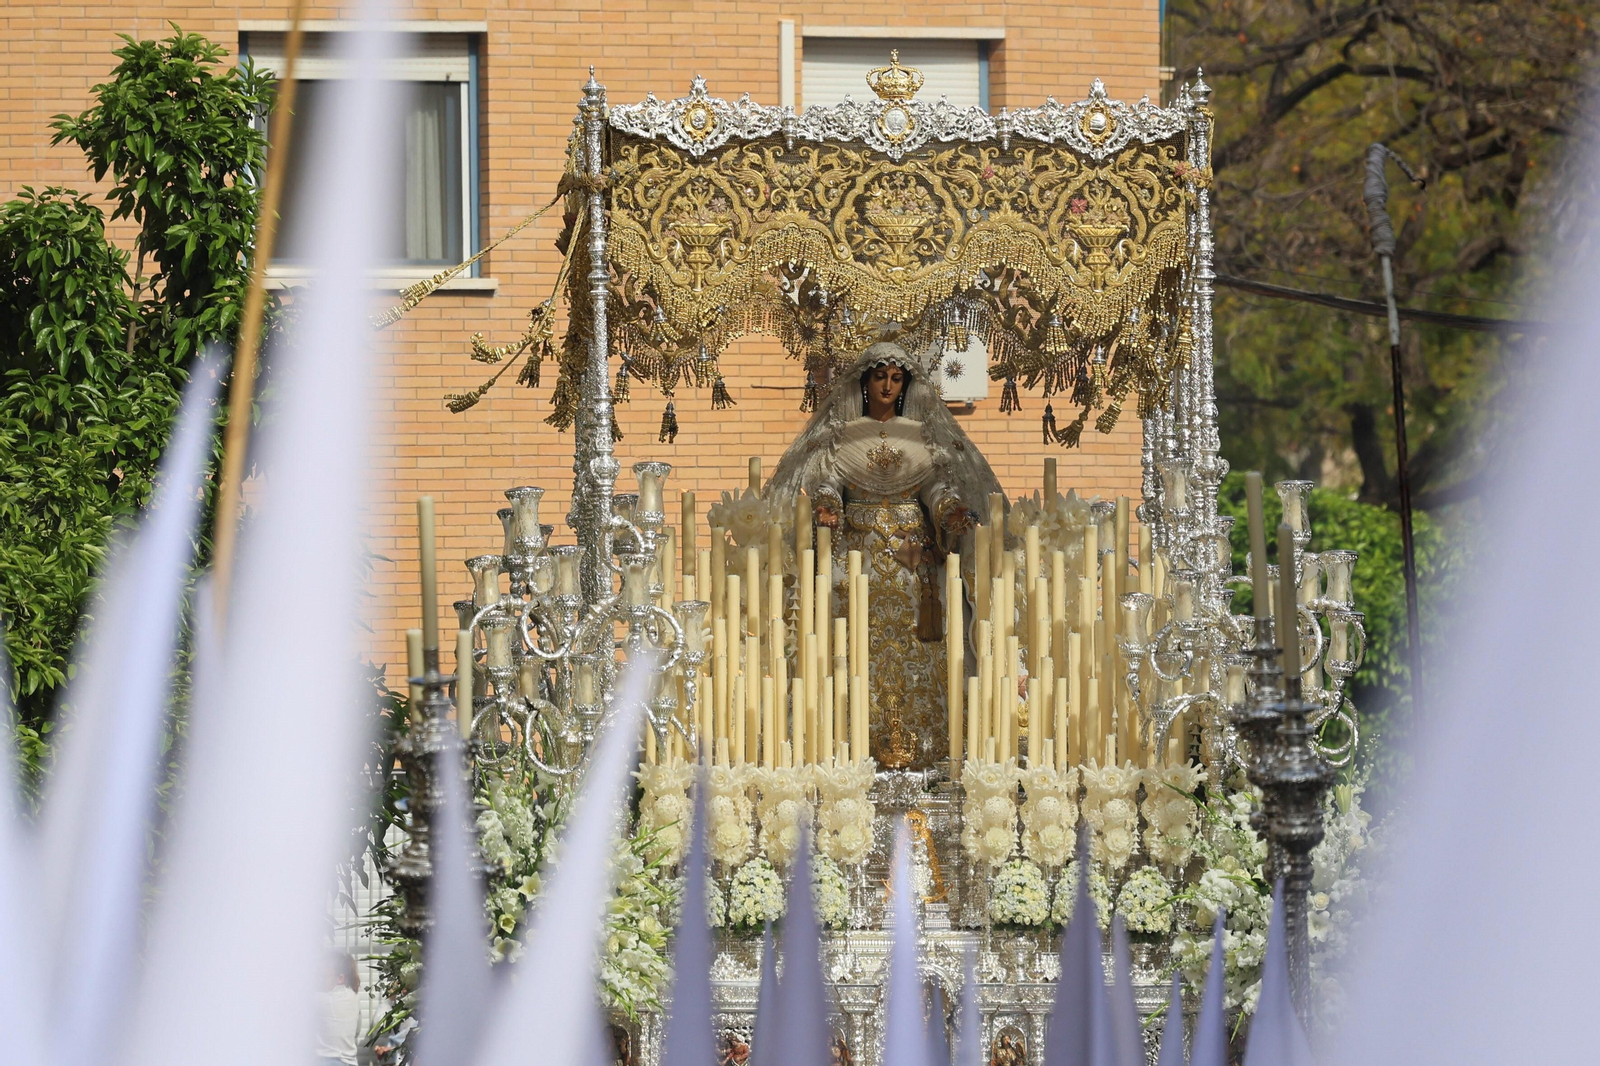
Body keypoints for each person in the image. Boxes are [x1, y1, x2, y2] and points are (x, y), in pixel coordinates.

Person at [767, 340, 1002, 769]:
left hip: (913, 560)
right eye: (880, 377)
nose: (888, 386)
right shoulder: (842, 436)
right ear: (865, 382)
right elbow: (829, 483)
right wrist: (828, 506)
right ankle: (850, 740)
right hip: (857, 556)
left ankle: (929, 743)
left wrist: (950, 510)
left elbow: (935, 488)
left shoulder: (921, 436)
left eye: (896, 378)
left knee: (924, 641)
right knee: (850, 640)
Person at [316, 952, 362, 1066]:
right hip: (350, 1062)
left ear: (340, 978)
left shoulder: (319, 999)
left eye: (323, 976)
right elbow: (357, 1030)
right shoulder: (354, 996)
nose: (319, 980)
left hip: (326, 1060)